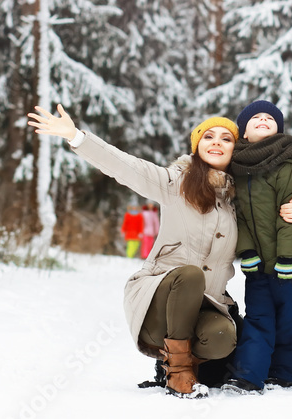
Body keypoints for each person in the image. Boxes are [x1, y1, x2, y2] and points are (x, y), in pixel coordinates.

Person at [28, 106, 241, 398]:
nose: (217, 142)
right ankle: (179, 373)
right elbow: (125, 166)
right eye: (209, 136)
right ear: (196, 146)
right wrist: (77, 137)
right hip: (158, 306)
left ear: (234, 150)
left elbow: (273, 226)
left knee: (222, 338)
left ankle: (176, 362)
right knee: (189, 276)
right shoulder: (175, 182)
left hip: (205, 307)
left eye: (226, 139)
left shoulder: (235, 202)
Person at [221, 100, 292, 395]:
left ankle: (283, 373)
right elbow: (240, 218)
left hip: (290, 264)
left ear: (278, 131)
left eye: (270, 118)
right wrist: (247, 252)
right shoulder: (237, 169)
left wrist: (287, 257)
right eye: (256, 118)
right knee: (258, 318)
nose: (263, 119)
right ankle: (248, 376)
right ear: (244, 133)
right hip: (258, 267)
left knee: (288, 319)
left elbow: (290, 216)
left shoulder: (287, 166)